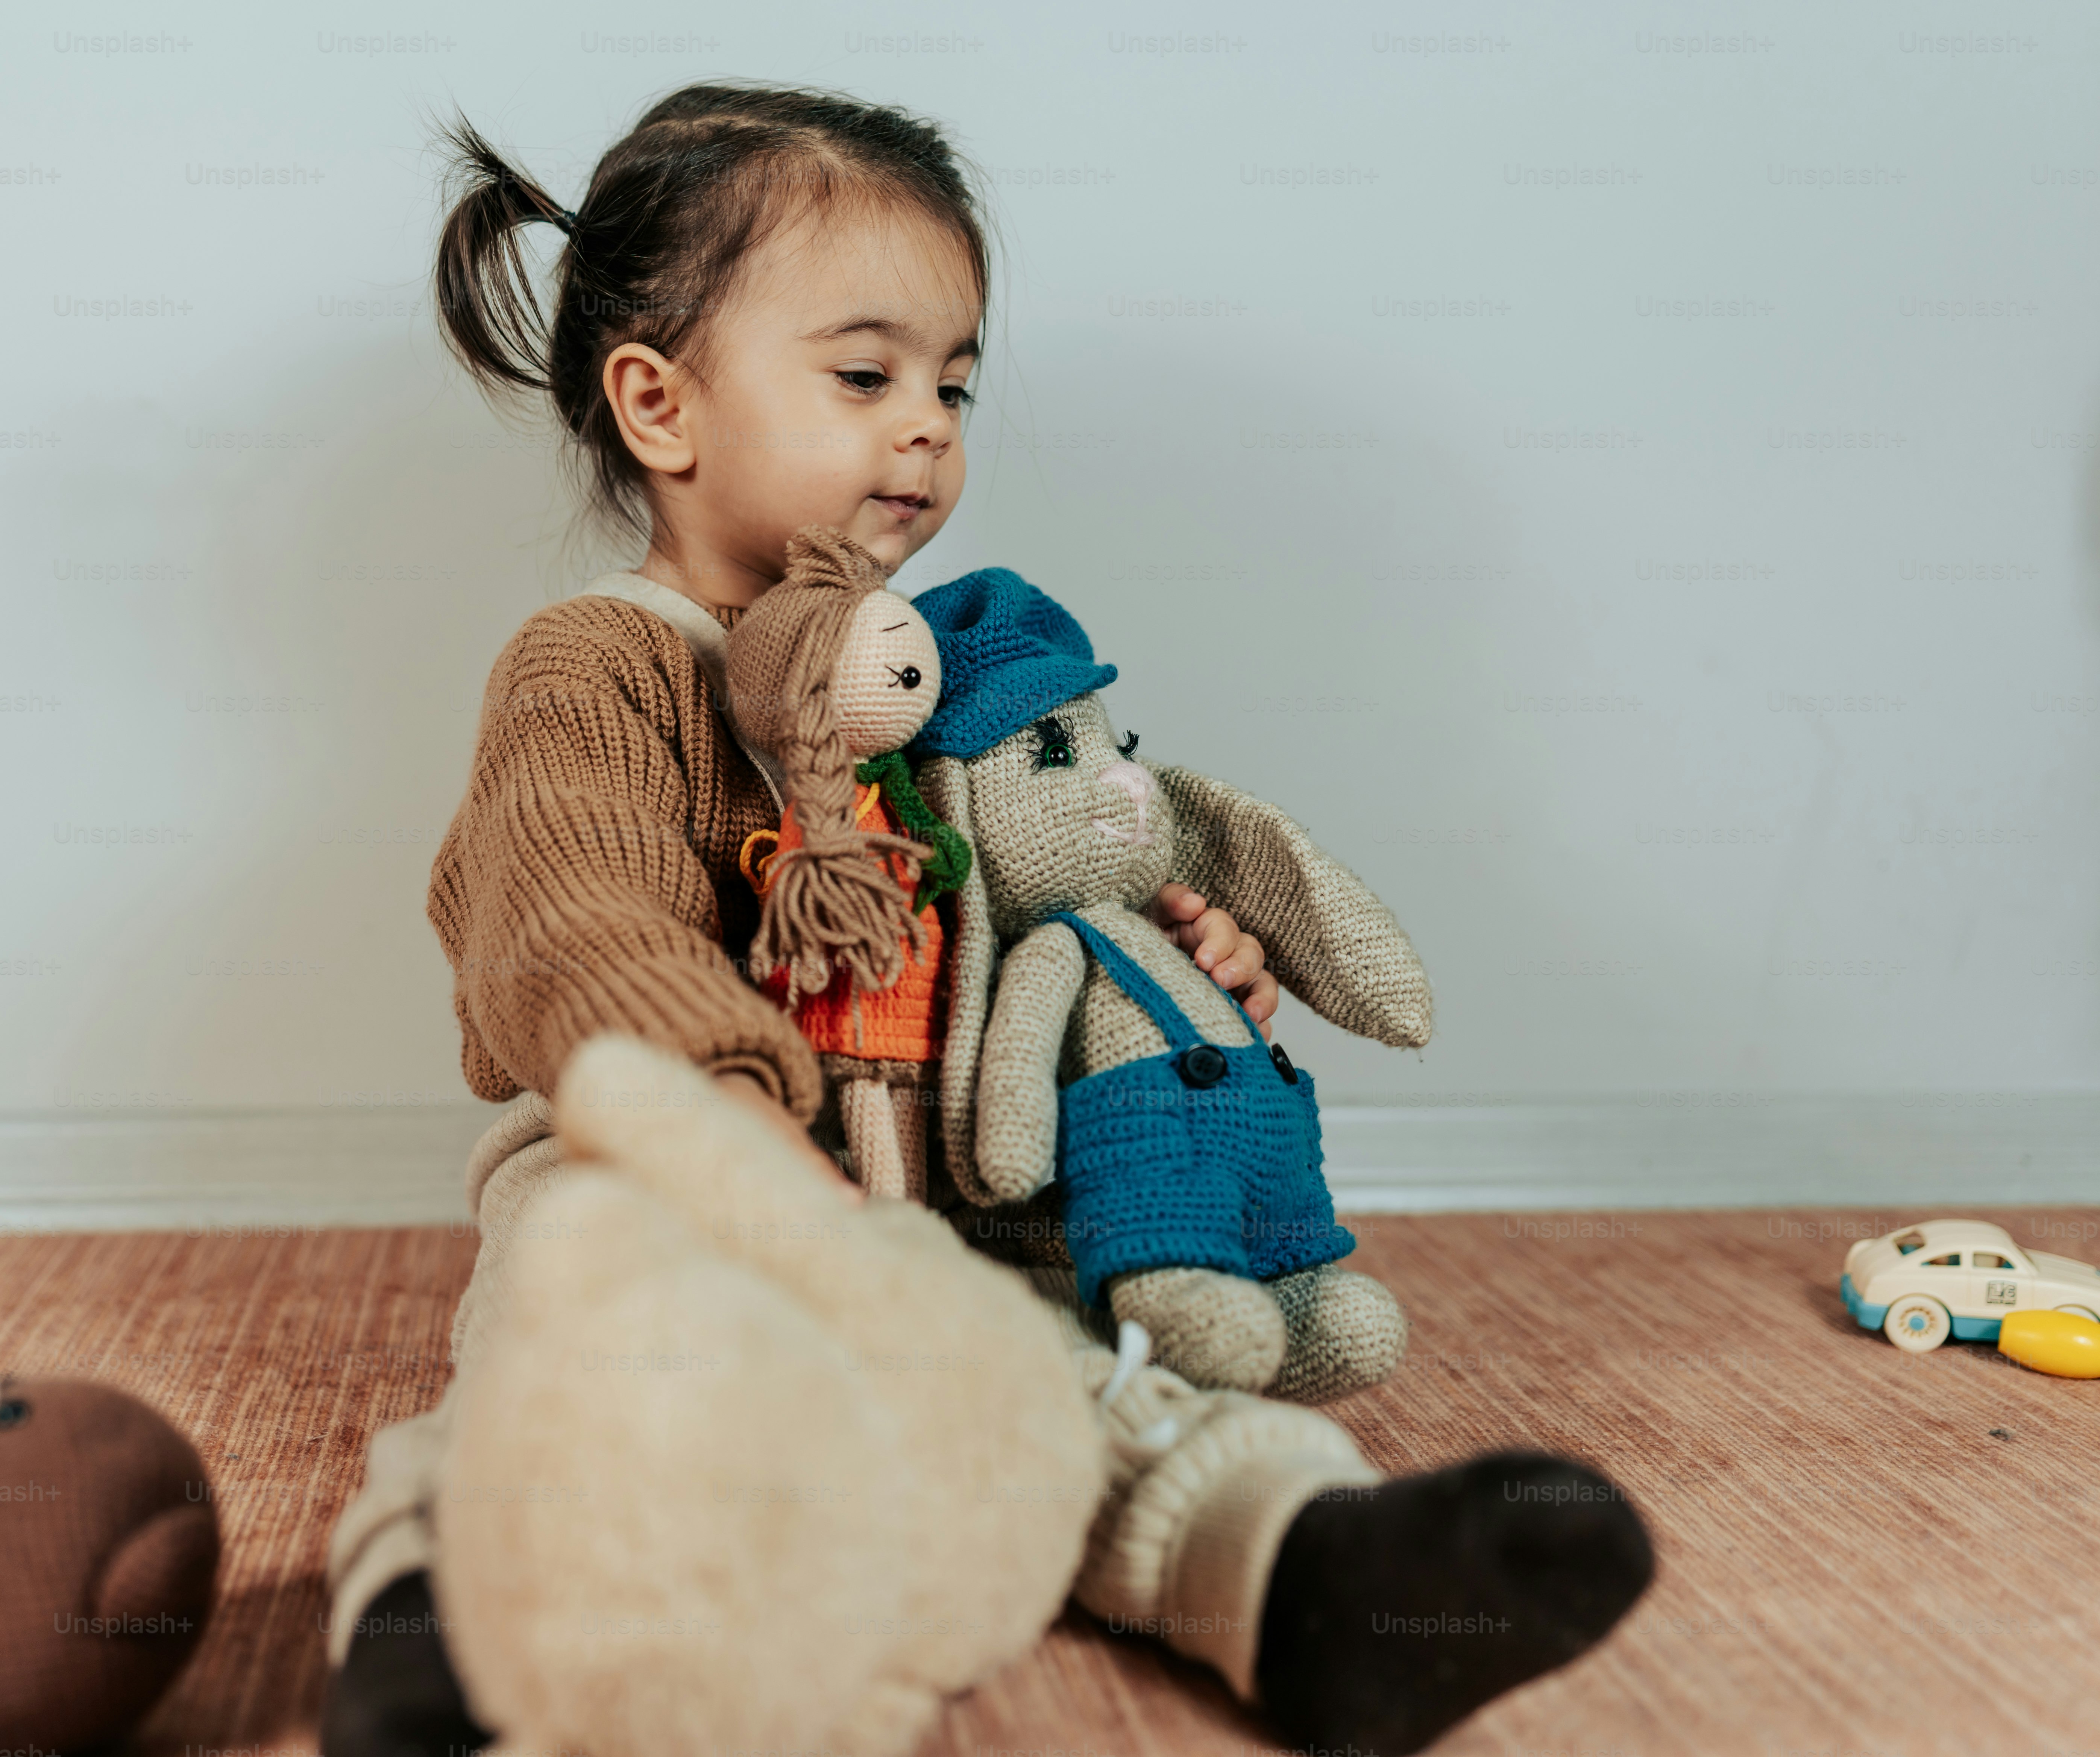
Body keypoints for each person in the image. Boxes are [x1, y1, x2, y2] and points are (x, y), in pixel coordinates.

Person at [324, 82, 1651, 1757]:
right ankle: (432, 1628)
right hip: (652, 1169)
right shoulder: (595, 667)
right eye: (867, 375)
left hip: (925, 1177)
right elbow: (563, 914)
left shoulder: (933, 671)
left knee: (1054, 1391)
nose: (933, 426)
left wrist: (1167, 952)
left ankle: (1307, 1575)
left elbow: (1031, 878)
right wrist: (721, 1123)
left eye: (954, 381)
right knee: (560, 1376)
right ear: (660, 405)